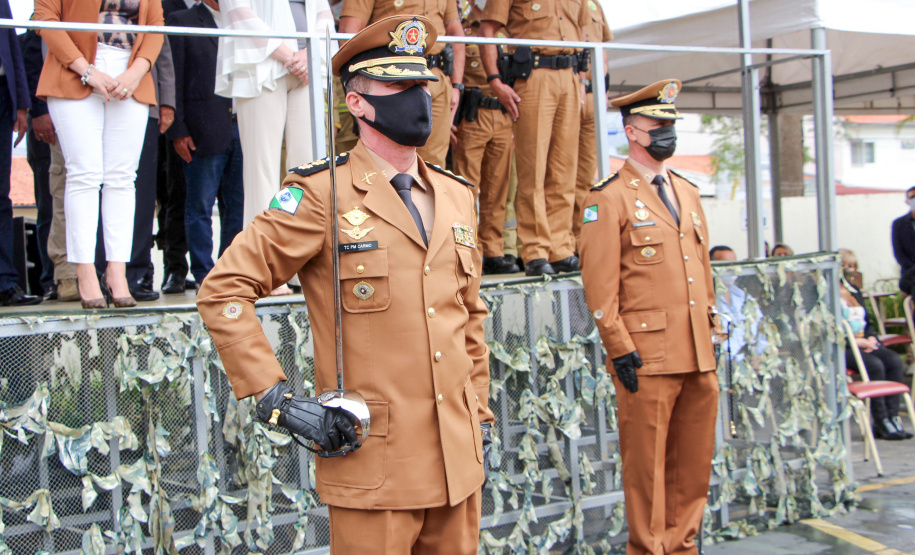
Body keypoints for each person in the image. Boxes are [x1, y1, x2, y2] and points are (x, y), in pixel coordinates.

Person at [197, 16, 492, 554]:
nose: (419, 99)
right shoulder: (320, 193)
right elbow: (224, 289)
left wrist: (482, 417)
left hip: (458, 463)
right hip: (375, 464)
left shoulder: (456, 195)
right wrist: (275, 397)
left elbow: (468, 318)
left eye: (422, 84)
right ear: (357, 103)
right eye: (399, 87)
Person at [579, 79, 719, 555]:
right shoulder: (609, 196)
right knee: (648, 469)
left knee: (693, 465)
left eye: (670, 124)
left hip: (698, 351)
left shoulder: (687, 191)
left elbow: (703, 271)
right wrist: (619, 346)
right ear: (632, 132)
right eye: (657, 125)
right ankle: (648, 548)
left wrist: (713, 332)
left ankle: (683, 546)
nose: (666, 133)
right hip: (647, 356)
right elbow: (600, 285)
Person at [35, 0, 164, 309]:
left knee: (123, 178)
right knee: (84, 175)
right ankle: (85, 273)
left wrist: (136, 72)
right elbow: (45, 18)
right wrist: (87, 70)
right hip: (74, 69)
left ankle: (117, 273)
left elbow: (156, 26)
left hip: (131, 72)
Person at [215, 0, 332, 296]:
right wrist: (288, 54)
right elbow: (237, 11)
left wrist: (308, 52)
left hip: (308, 64)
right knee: (262, 169)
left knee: (308, 172)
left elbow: (323, 14)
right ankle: (264, 268)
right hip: (261, 64)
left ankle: (304, 264)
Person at [480, 0, 589, 276]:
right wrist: (495, 80)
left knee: (564, 171)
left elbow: (583, 31)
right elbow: (488, 28)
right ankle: (536, 250)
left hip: (570, 74)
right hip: (534, 75)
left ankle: (561, 248)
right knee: (533, 170)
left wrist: (582, 80)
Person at [168, 0, 244, 287]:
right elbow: (174, 76)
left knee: (238, 206)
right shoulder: (182, 20)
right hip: (201, 128)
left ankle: (230, 272)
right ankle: (204, 274)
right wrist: (178, 128)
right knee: (199, 205)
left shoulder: (245, 20)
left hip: (244, 124)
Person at [340, 0, 465, 168]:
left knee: (434, 164)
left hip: (435, 77)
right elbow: (348, 34)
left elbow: (456, 33)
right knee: (386, 159)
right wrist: (358, 84)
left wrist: (457, 86)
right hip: (389, 78)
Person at [451, 0, 517, 275]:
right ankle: (467, 251)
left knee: (497, 189)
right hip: (471, 115)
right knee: (466, 189)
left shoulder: (505, 30)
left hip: (503, 115)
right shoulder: (460, 29)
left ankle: (493, 251)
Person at [840, 248, 911, 440]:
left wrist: (871, 338)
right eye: (844, 265)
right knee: (875, 366)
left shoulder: (855, 292)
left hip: (864, 341)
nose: (848, 269)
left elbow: (868, 322)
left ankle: (893, 416)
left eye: (852, 266)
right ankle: (881, 420)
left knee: (894, 361)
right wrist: (857, 341)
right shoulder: (829, 295)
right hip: (845, 346)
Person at [0, 0, 40, 307]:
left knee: (1, 195)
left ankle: (4, 282)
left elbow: (11, 43)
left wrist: (22, 103)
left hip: (2, 95)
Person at [572, 0, 612, 251]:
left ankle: (581, 239)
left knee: (587, 176)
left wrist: (604, 89)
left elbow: (603, 51)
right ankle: (562, 242)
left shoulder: (595, 5)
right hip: (569, 89)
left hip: (594, 94)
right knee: (561, 174)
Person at [710, 245, 767, 365]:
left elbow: (760, 328)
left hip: (746, 366)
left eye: (734, 263)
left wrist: (758, 354)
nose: (731, 268)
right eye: (725, 264)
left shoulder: (743, 297)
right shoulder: (707, 300)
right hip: (721, 366)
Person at [891, 186, 915, 287]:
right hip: (910, 278)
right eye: (912, 197)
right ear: (907, 201)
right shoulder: (899, 224)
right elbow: (899, 253)